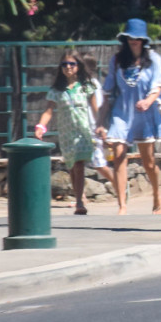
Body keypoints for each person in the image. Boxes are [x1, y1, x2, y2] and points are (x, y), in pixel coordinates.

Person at [97, 19, 161, 215]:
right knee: (118, 157)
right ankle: (122, 204)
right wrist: (100, 122)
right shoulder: (117, 60)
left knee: (148, 162)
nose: (134, 41)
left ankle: (157, 195)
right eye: (130, 37)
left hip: (144, 115)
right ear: (125, 39)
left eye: (138, 38)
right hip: (121, 114)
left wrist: (148, 101)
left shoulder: (154, 59)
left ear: (144, 40)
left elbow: (159, 86)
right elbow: (108, 93)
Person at [35, 50, 100, 215]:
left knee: (79, 165)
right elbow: (49, 111)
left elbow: (95, 109)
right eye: (65, 64)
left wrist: (101, 126)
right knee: (72, 166)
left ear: (78, 66)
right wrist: (41, 127)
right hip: (66, 133)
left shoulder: (86, 87)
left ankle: (79, 201)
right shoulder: (57, 90)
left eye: (72, 64)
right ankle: (79, 197)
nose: (68, 67)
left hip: (83, 132)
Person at [82, 52, 115, 188]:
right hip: (79, 129)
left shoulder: (93, 85)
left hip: (92, 129)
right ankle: (81, 198)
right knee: (76, 164)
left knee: (99, 164)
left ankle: (119, 184)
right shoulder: (76, 85)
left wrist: (100, 127)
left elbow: (98, 108)